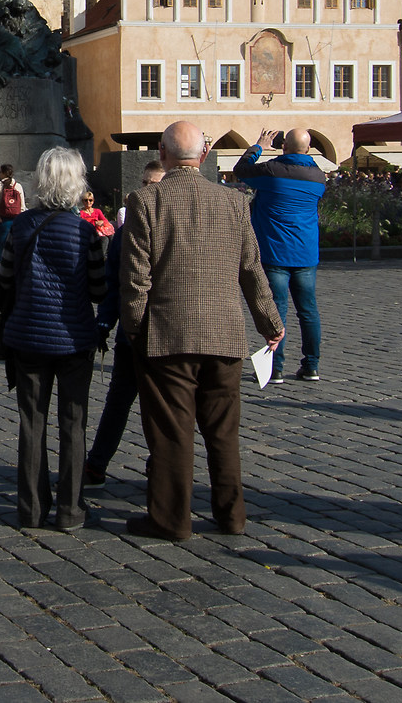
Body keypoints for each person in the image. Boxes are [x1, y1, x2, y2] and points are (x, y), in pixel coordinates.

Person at [120, 121, 284, 540]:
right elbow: (251, 269)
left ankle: (171, 519)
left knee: (173, 434)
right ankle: (232, 515)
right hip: (224, 335)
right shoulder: (233, 202)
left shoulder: (146, 200)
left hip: (169, 336)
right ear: (205, 155)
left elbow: (137, 280)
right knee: (223, 433)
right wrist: (271, 323)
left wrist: (135, 330)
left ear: (161, 153)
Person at [0, 147, 110, 532]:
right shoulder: (84, 231)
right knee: (73, 425)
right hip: (74, 339)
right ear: (76, 183)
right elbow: (98, 290)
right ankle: (70, 510)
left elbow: (5, 280)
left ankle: (30, 509)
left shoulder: (22, 227)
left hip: (27, 338)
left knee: (32, 424)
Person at [86, 160, 166, 486]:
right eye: (144, 183)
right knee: (118, 400)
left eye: (153, 185)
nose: (145, 190)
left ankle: (160, 462)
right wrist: (104, 323)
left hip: (164, 335)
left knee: (160, 406)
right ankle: (96, 464)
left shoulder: (172, 230)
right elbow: (112, 283)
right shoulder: (124, 232)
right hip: (131, 336)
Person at [234, 129, 331, 382]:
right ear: (308, 149)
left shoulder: (271, 170)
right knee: (308, 311)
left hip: (275, 251)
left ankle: (275, 369)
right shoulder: (318, 177)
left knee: (277, 311)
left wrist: (259, 147)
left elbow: (241, 170)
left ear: (284, 146)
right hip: (306, 252)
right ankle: (312, 366)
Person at [0, 164, 26, 244]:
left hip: (3, 219)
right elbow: (22, 204)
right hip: (17, 219)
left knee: (2, 245)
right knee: (15, 245)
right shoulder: (18, 186)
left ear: (4, 173)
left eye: (0, 172)